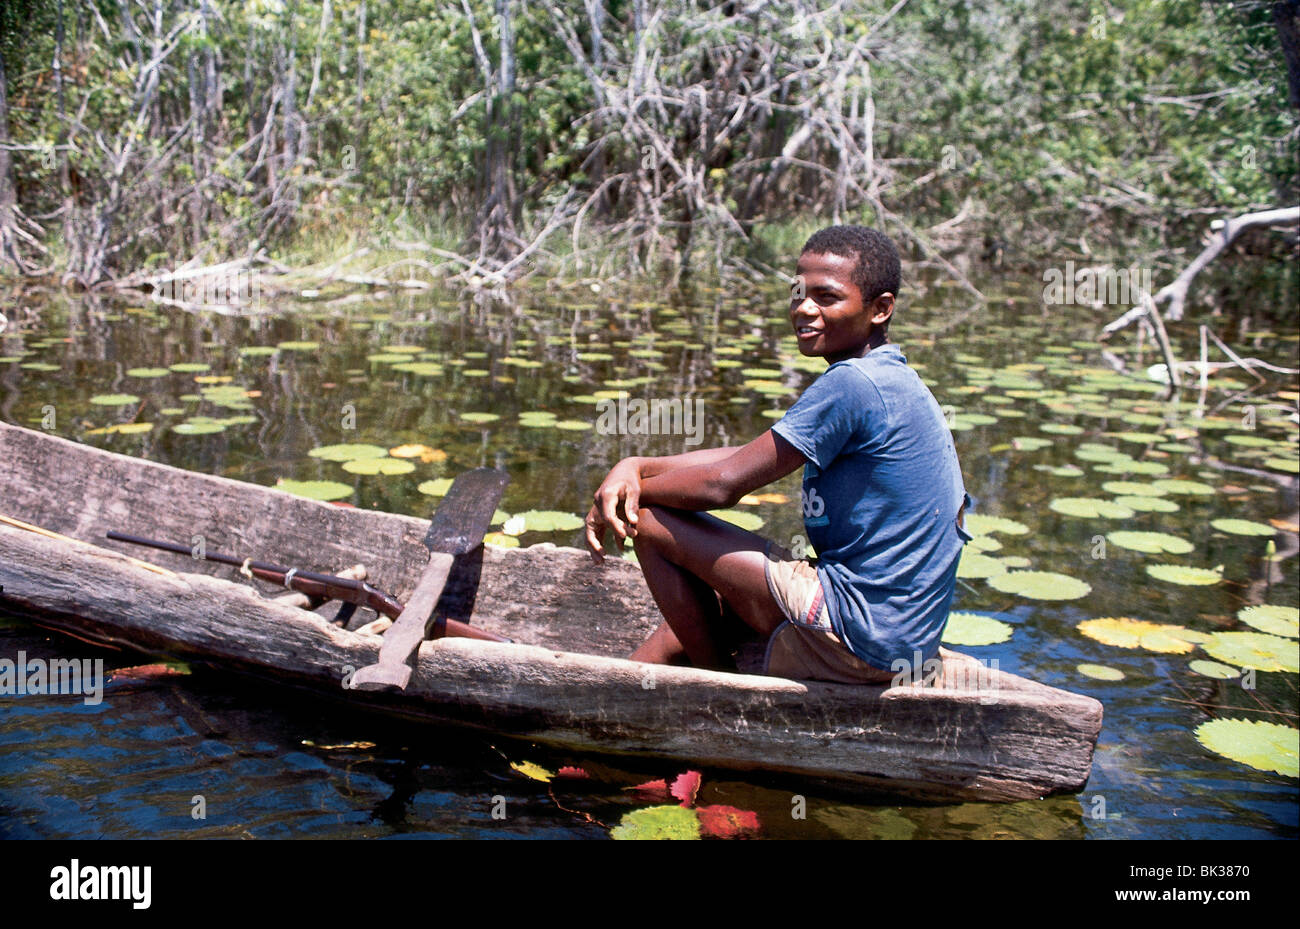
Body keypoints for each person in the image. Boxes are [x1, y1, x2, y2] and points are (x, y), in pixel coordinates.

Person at [584, 225, 970, 684]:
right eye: (799, 294)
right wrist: (634, 466)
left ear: (880, 309)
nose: (804, 309)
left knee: (647, 517)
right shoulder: (886, 376)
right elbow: (750, 455)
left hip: (863, 635)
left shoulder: (854, 383)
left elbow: (722, 484)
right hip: (900, 637)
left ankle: (718, 692)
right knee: (691, 626)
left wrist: (632, 493)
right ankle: (616, 684)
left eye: (826, 298)